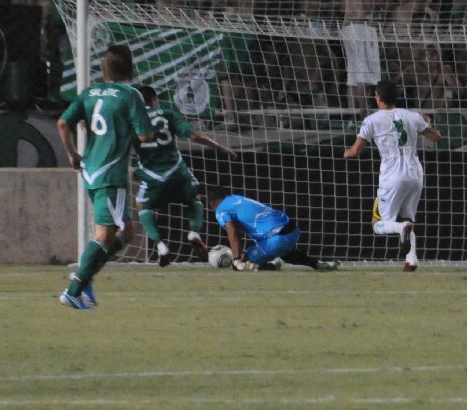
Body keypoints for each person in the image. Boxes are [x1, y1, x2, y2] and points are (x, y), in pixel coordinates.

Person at [57, 44, 154, 309]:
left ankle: (86, 276)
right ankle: (74, 289)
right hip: (111, 172)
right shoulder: (130, 95)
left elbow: (64, 123)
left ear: (105, 69)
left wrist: (72, 154)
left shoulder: (89, 93)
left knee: (128, 231)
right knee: (105, 234)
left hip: (90, 169)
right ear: (130, 67)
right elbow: (145, 136)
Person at [343, 80, 443, 271]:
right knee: (408, 217)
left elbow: (355, 151)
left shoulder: (371, 120)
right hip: (415, 173)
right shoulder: (412, 116)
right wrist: (428, 123)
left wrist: (345, 153)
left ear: (378, 97)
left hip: (392, 174)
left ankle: (399, 228)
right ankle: (411, 258)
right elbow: (437, 137)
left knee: (378, 223)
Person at [132, 85, 236, 267]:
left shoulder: (132, 119)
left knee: (142, 204)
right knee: (195, 197)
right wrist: (220, 147)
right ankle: (194, 232)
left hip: (153, 176)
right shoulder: (167, 113)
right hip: (177, 171)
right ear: (155, 100)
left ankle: (160, 245)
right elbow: (194, 136)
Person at [208, 186, 340, 271]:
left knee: (240, 265)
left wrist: (236, 258)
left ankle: (270, 265)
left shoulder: (220, 209)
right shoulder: (236, 199)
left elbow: (232, 231)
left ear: (213, 203)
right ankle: (317, 264)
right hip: (293, 230)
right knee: (286, 254)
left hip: (278, 238)